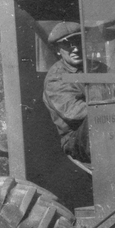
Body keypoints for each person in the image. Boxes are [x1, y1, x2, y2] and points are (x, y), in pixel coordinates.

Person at [43, 21, 90, 163]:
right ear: (58, 50)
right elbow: (76, 112)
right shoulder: (56, 78)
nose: (75, 49)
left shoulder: (97, 67)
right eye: (68, 44)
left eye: (78, 41)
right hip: (76, 140)